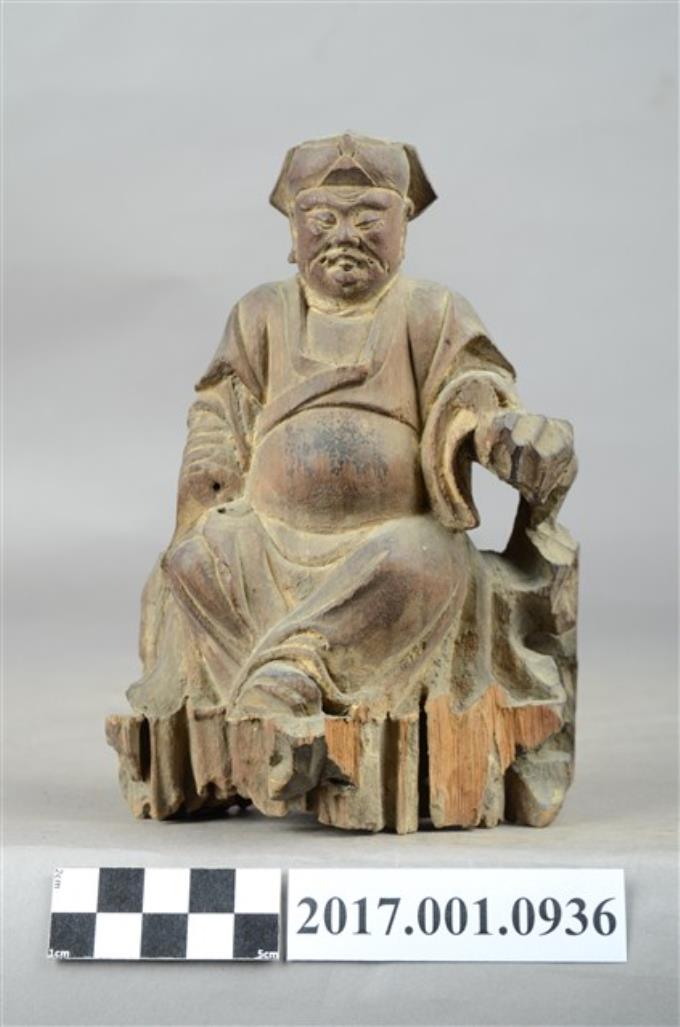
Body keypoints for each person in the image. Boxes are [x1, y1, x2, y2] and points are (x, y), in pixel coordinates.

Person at [112, 133, 577, 830]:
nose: (344, 236)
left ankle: (287, 679)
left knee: (429, 560)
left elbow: (473, 388)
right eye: (323, 218)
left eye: (368, 217)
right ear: (293, 233)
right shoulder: (260, 312)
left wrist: (497, 432)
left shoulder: (431, 311)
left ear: (403, 227)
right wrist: (213, 483)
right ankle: (268, 700)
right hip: (267, 539)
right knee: (195, 560)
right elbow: (220, 408)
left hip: (385, 543)